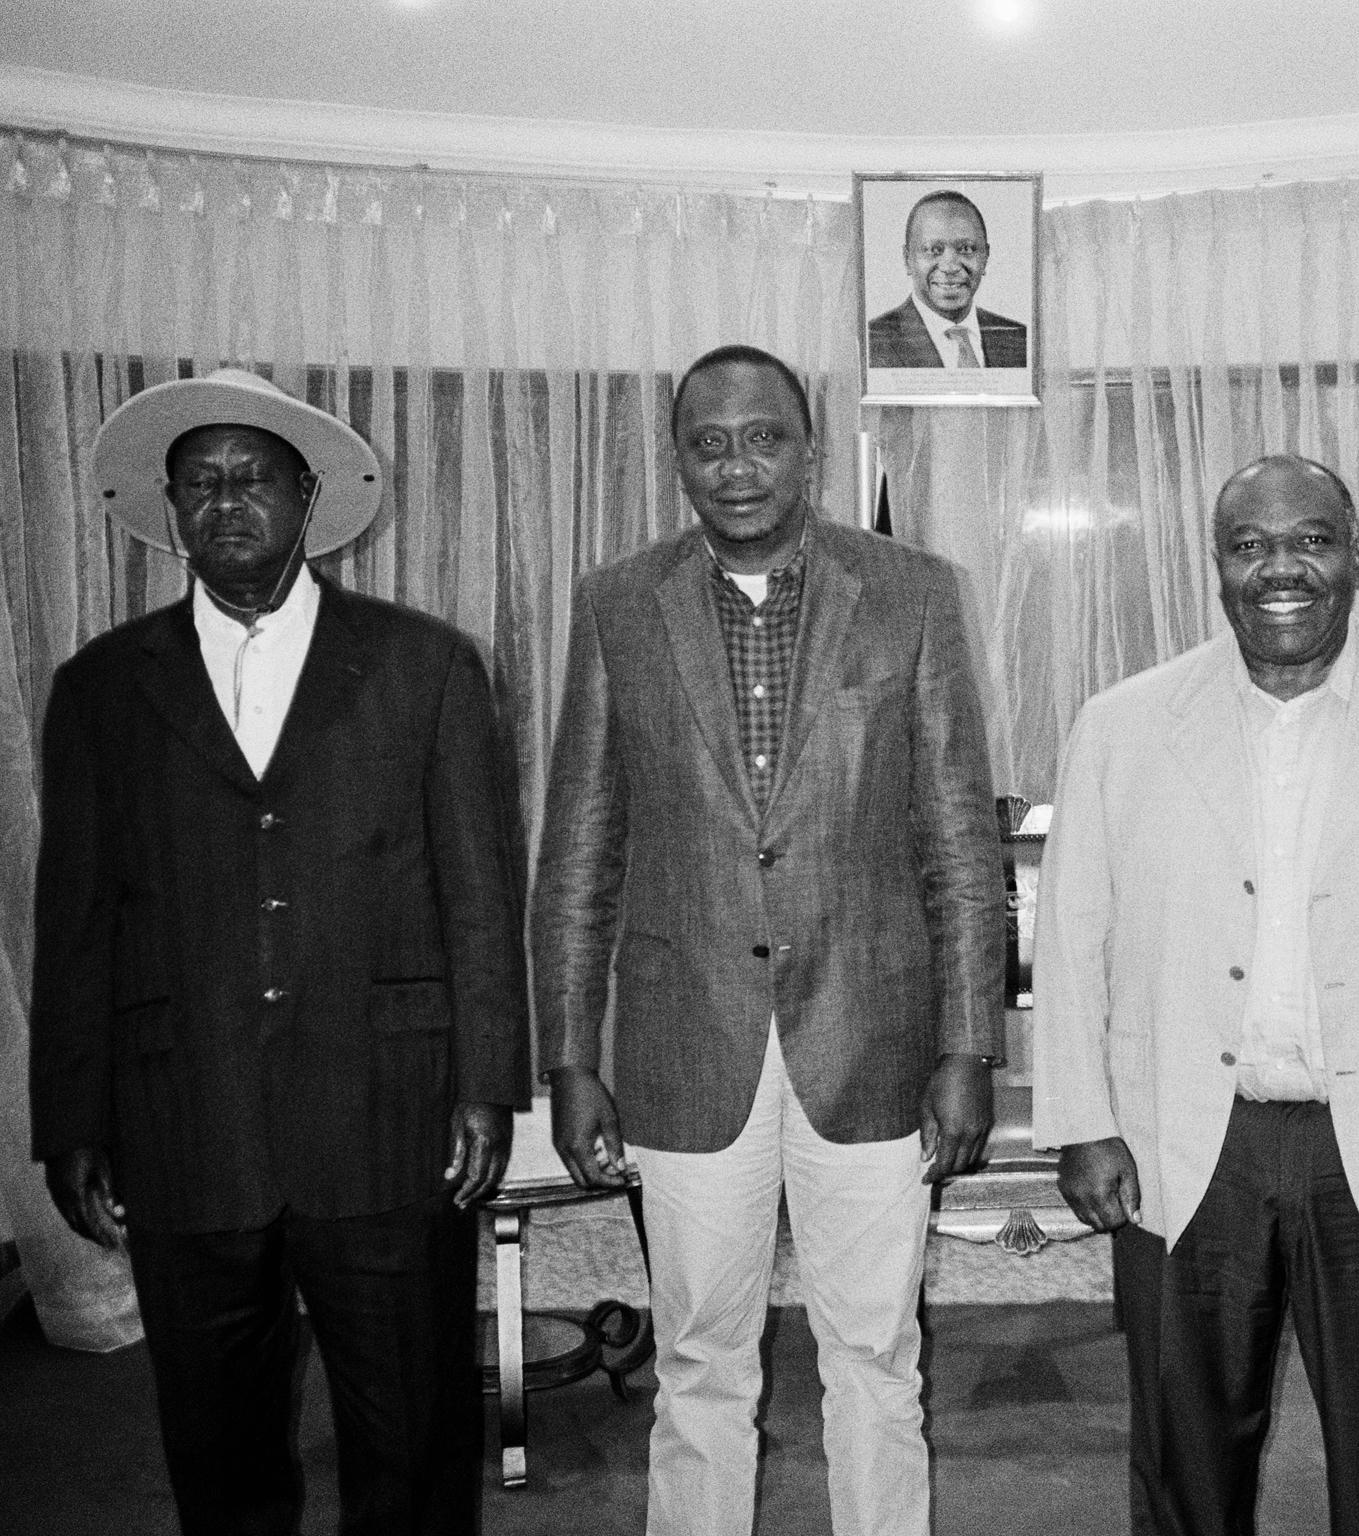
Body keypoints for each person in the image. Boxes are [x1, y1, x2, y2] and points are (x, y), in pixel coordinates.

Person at [30, 368, 530, 1534]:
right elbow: (75, 921)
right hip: (184, 1120)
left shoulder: (425, 666)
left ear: (307, 497)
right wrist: (72, 1120)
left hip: (384, 1117)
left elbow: (477, 895)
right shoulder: (101, 690)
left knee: (410, 1442)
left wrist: (484, 1087)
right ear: (168, 508)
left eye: (251, 477)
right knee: (220, 1455)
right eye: (199, 482)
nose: (225, 502)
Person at [530, 343, 1006, 1536]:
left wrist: (967, 1048)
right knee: (698, 1359)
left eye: (763, 438)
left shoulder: (910, 592)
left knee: (874, 1350)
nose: (736, 465)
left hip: (874, 1040)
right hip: (687, 1045)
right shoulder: (616, 605)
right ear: (677, 457)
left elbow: (957, 842)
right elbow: (579, 848)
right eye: (708, 442)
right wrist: (571, 1058)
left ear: (809, 447)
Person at [1033, 453, 1359, 1536]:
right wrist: (1080, 1123)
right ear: (1214, 566)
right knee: (1183, 1456)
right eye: (1249, 544)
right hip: (1184, 1145)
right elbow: (1071, 940)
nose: (1281, 567)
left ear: (1355, 557)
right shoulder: (1121, 726)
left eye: (1310, 540)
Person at [868, 189, 1028, 369]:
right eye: (932, 250)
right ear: (907, 259)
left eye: (966, 249)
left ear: (986, 257)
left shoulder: (1021, 341)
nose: (950, 267)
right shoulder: (873, 342)